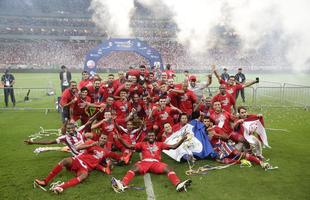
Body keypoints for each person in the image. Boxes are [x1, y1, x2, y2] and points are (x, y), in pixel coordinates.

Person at [111, 130, 192, 193]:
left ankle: (178, 184)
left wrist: (183, 139)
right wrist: (120, 139)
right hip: (144, 162)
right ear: (147, 136)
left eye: (152, 135)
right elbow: (129, 146)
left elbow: (174, 146)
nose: (151, 137)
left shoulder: (160, 144)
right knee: (134, 168)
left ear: (155, 137)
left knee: (168, 168)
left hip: (156, 163)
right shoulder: (142, 144)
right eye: (149, 135)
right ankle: (122, 184)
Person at [33, 134, 114, 194]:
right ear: (99, 138)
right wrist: (90, 145)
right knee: (65, 160)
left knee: (84, 176)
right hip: (78, 160)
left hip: (85, 167)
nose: (103, 139)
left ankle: (60, 187)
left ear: (106, 141)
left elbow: (108, 162)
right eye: (102, 138)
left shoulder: (105, 152)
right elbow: (78, 148)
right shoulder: (91, 142)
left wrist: (109, 165)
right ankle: (45, 181)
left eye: (104, 139)